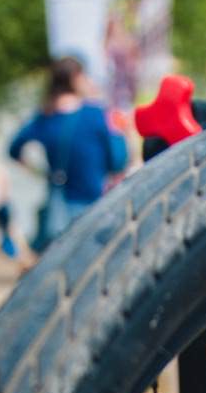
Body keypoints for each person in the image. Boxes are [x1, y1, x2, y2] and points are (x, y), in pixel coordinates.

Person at [8, 56, 127, 252]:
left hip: (60, 210)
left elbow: (14, 149)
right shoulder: (96, 113)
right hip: (95, 203)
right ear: (75, 78)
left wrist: (41, 172)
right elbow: (118, 160)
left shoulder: (44, 116)